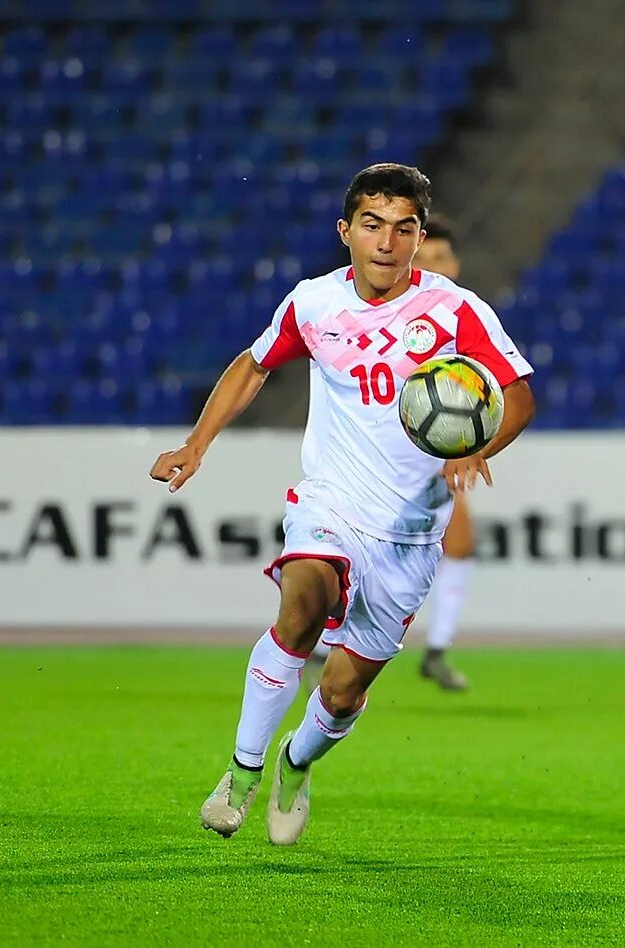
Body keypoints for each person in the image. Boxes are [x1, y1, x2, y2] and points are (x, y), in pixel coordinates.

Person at [150, 164, 535, 846]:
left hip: (410, 535)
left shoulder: (454, 310)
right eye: (372, 225)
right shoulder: (313, 304)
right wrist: (197, 443)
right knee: (300, 605)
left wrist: (480, 447)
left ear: (419, 237)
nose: (387, 242)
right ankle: (240, 776)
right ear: (346, 231)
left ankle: (295, 765)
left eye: (403, 228)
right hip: (330, 501)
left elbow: (519, 395)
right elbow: (254, 362)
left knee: (340, 693)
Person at [302, 214, 477, 692]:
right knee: (355, 556)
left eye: (447, 256)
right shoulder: (388, 311)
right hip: (372, 464)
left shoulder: (461, 313)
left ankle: (436, 650)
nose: (442, 265)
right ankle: (321, 645)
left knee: (460, 544)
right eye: (432, 256)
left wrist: (471, 445)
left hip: (429, 460)